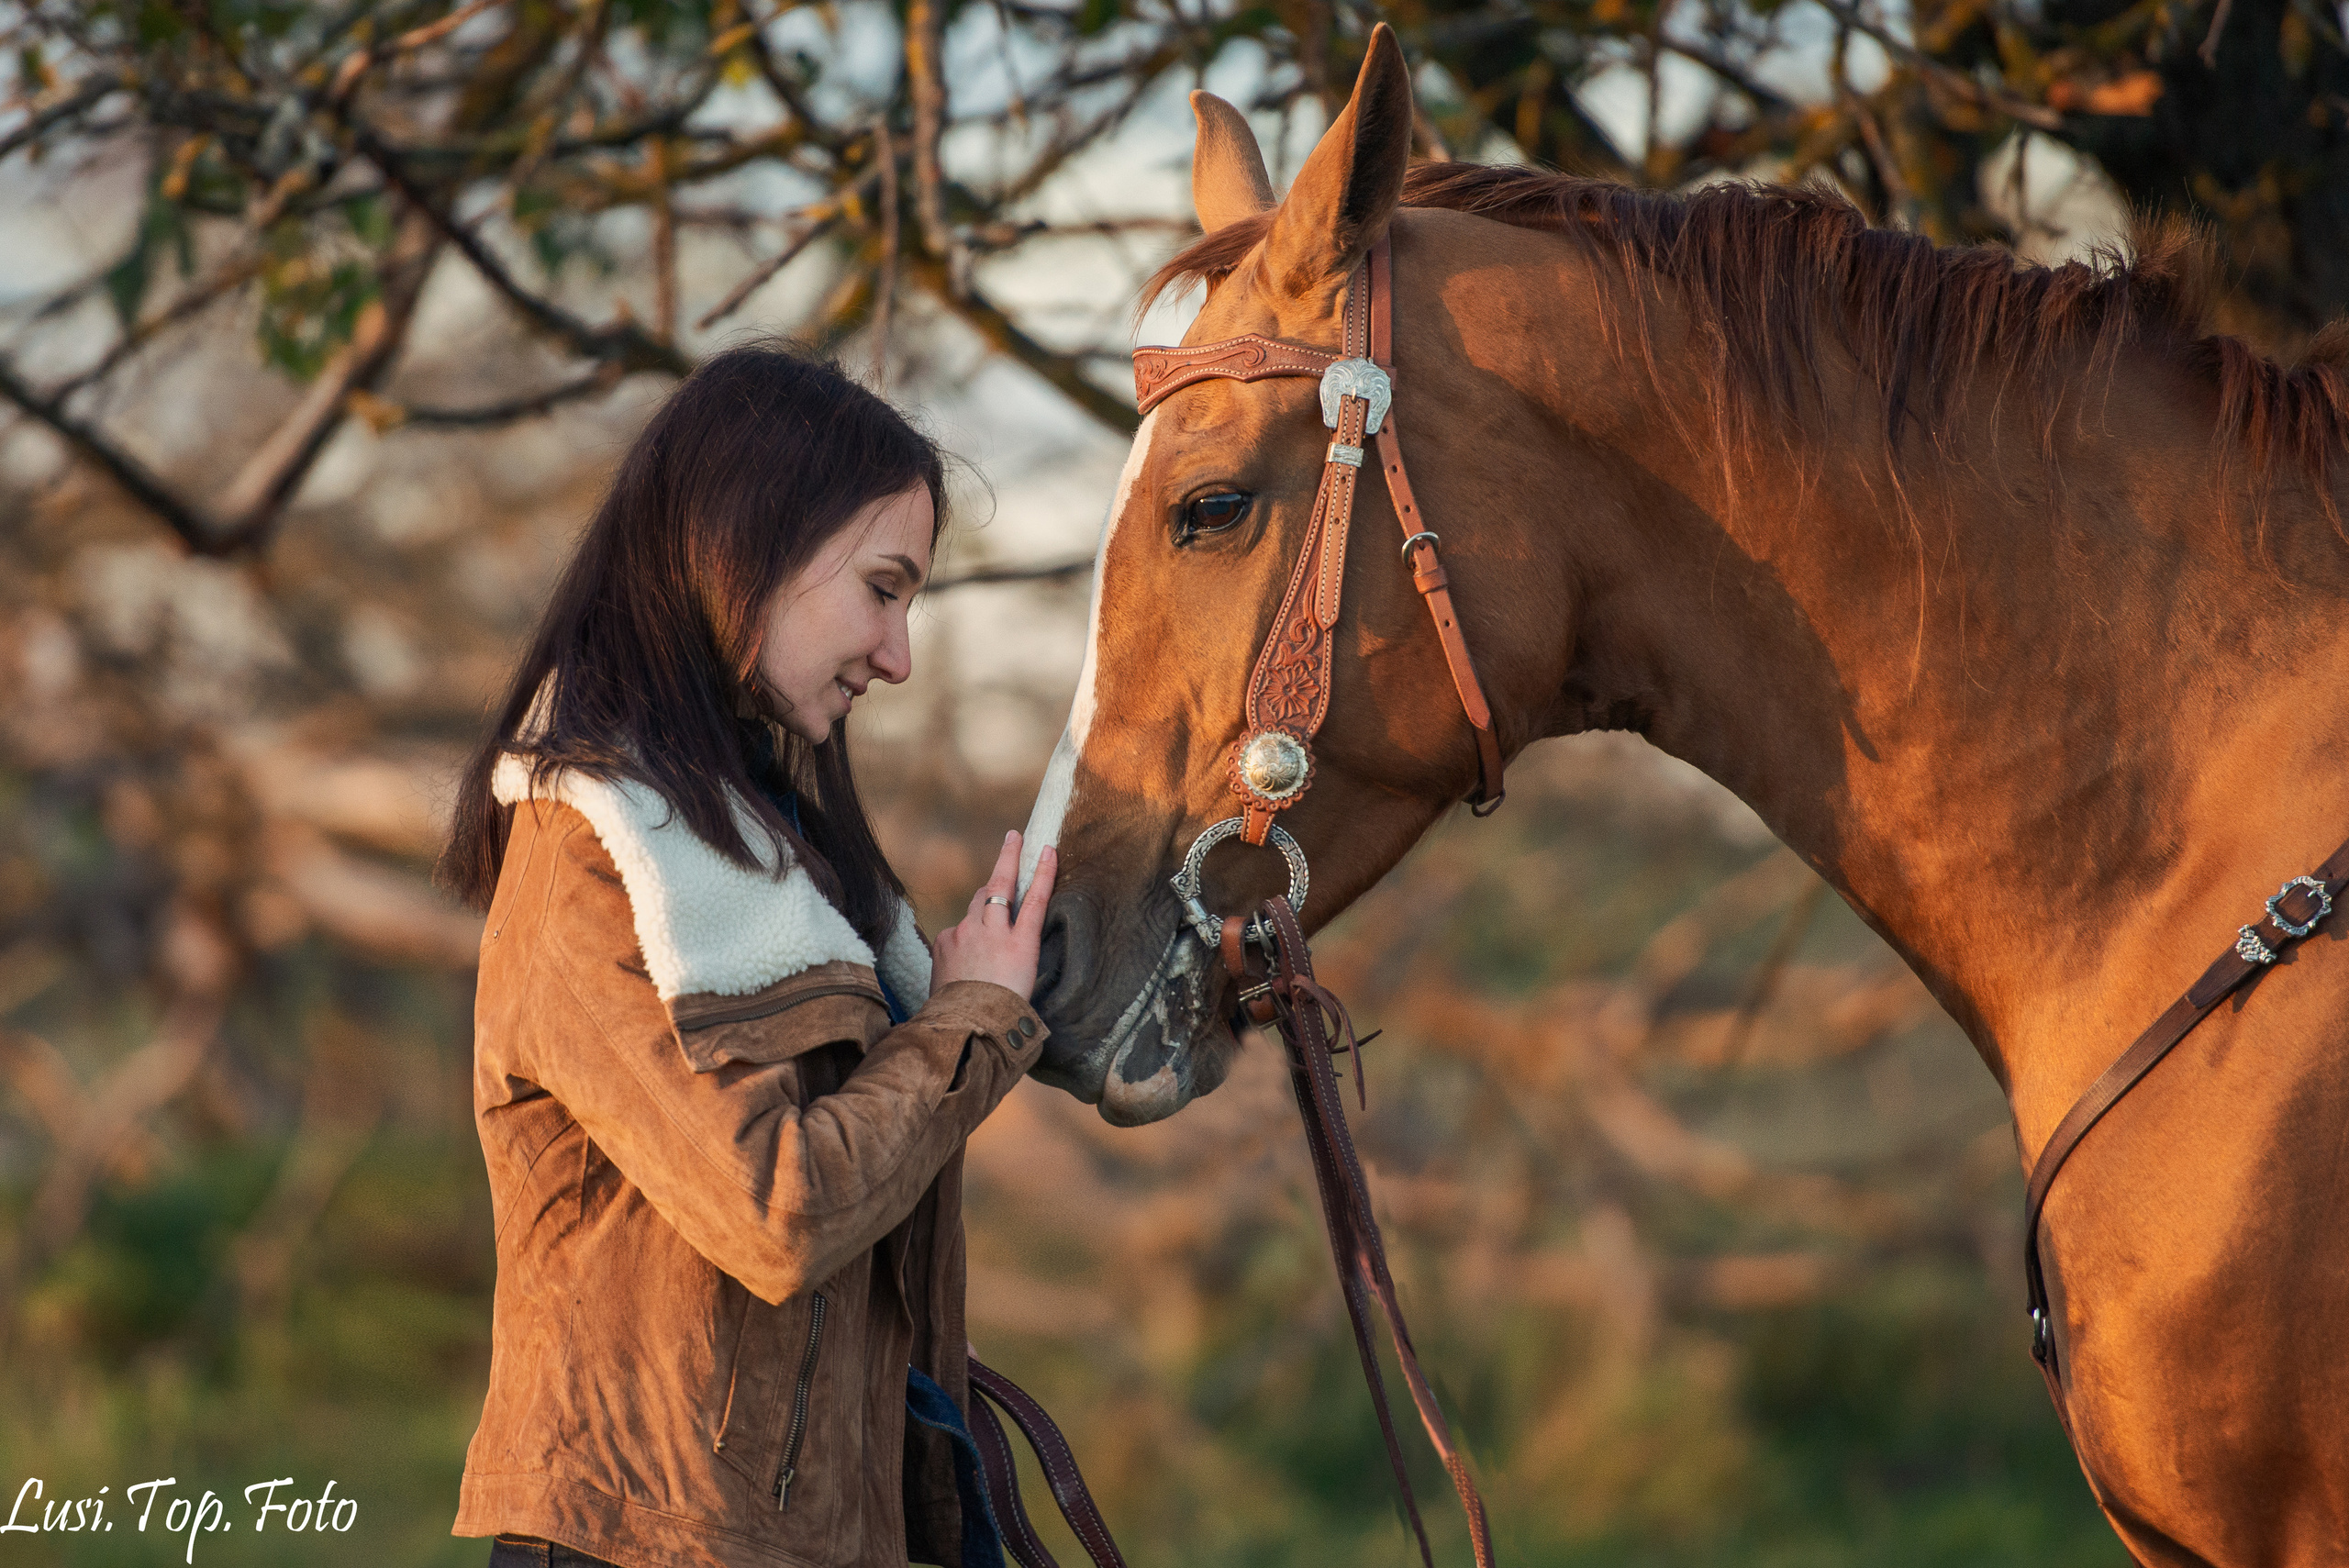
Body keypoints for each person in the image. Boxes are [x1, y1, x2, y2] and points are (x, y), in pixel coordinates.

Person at [439, 342, 1056, 1568]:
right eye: (884, 588)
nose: (899, 655)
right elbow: (775, 1212)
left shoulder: (783, 852)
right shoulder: (592, 846)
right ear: (750, 545)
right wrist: (969, 1022)